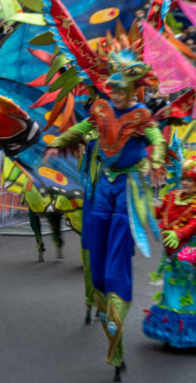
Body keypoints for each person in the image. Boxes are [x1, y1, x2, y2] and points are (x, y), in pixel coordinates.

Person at [44, 84, 166, 380]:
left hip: (128, 186)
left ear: (133, 88)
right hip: (100, 189)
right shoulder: (100, 110)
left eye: (122, 89)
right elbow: (80, 129)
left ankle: (114, 313)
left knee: (116, 267)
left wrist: (157, 161)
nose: (117, 94)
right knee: (95, 263)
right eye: (113, 88)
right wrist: (57, 143)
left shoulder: (141, 115)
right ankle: (101, 308)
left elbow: (156, 139)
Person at [143, 160, 196, 348]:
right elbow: (159, 212)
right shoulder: (172, 196)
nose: (186, 183)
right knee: (170, 289)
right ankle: (171, 331)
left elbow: (193, 225)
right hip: (171, 254)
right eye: (184, 179)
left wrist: (179, 233)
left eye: (191, 180)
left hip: (189, 254)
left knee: (187, 291)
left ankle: (187, 334)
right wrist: (142, 207)